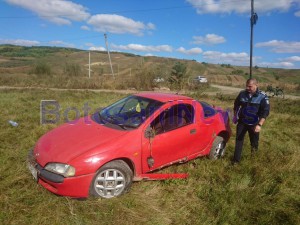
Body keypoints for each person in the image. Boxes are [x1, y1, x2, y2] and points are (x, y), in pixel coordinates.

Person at [232, 78, 270, 164]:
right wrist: (235, 116)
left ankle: (254, 160)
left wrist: (259, 125)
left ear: (256, 85)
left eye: (250, 86)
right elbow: (236, 104)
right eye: (246, 86)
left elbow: (265, 111)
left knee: (254, 142)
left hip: (254, 123)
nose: (247, 88)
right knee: (239, 140)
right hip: (242, 122)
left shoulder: (262, 96)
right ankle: (236, 161)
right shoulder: (242, 94)